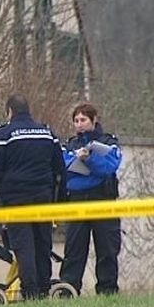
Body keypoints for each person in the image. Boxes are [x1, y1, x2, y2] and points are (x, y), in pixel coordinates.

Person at [0, 94, 66, 300]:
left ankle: (30, 292)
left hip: (16, 200)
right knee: (42, 244)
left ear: (10, 111)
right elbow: (60, 169)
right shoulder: (47, 133)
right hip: (43, 198)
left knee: (24, 246)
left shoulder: (4, 135)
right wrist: (61, 202)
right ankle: (44, 289)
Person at [58, 103, 122, 295]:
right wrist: (90, 169)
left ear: (94, 120)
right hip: (77, 201)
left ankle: (107, 290)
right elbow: (66, 169)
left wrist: (89, 160)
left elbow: (108, 167)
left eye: (83, 120)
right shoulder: (70, 145)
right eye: (76, 121)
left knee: (107, 249)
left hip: (103, 201)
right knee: (74, 250)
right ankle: (68, 289)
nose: (79, 124)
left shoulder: (108, 142)